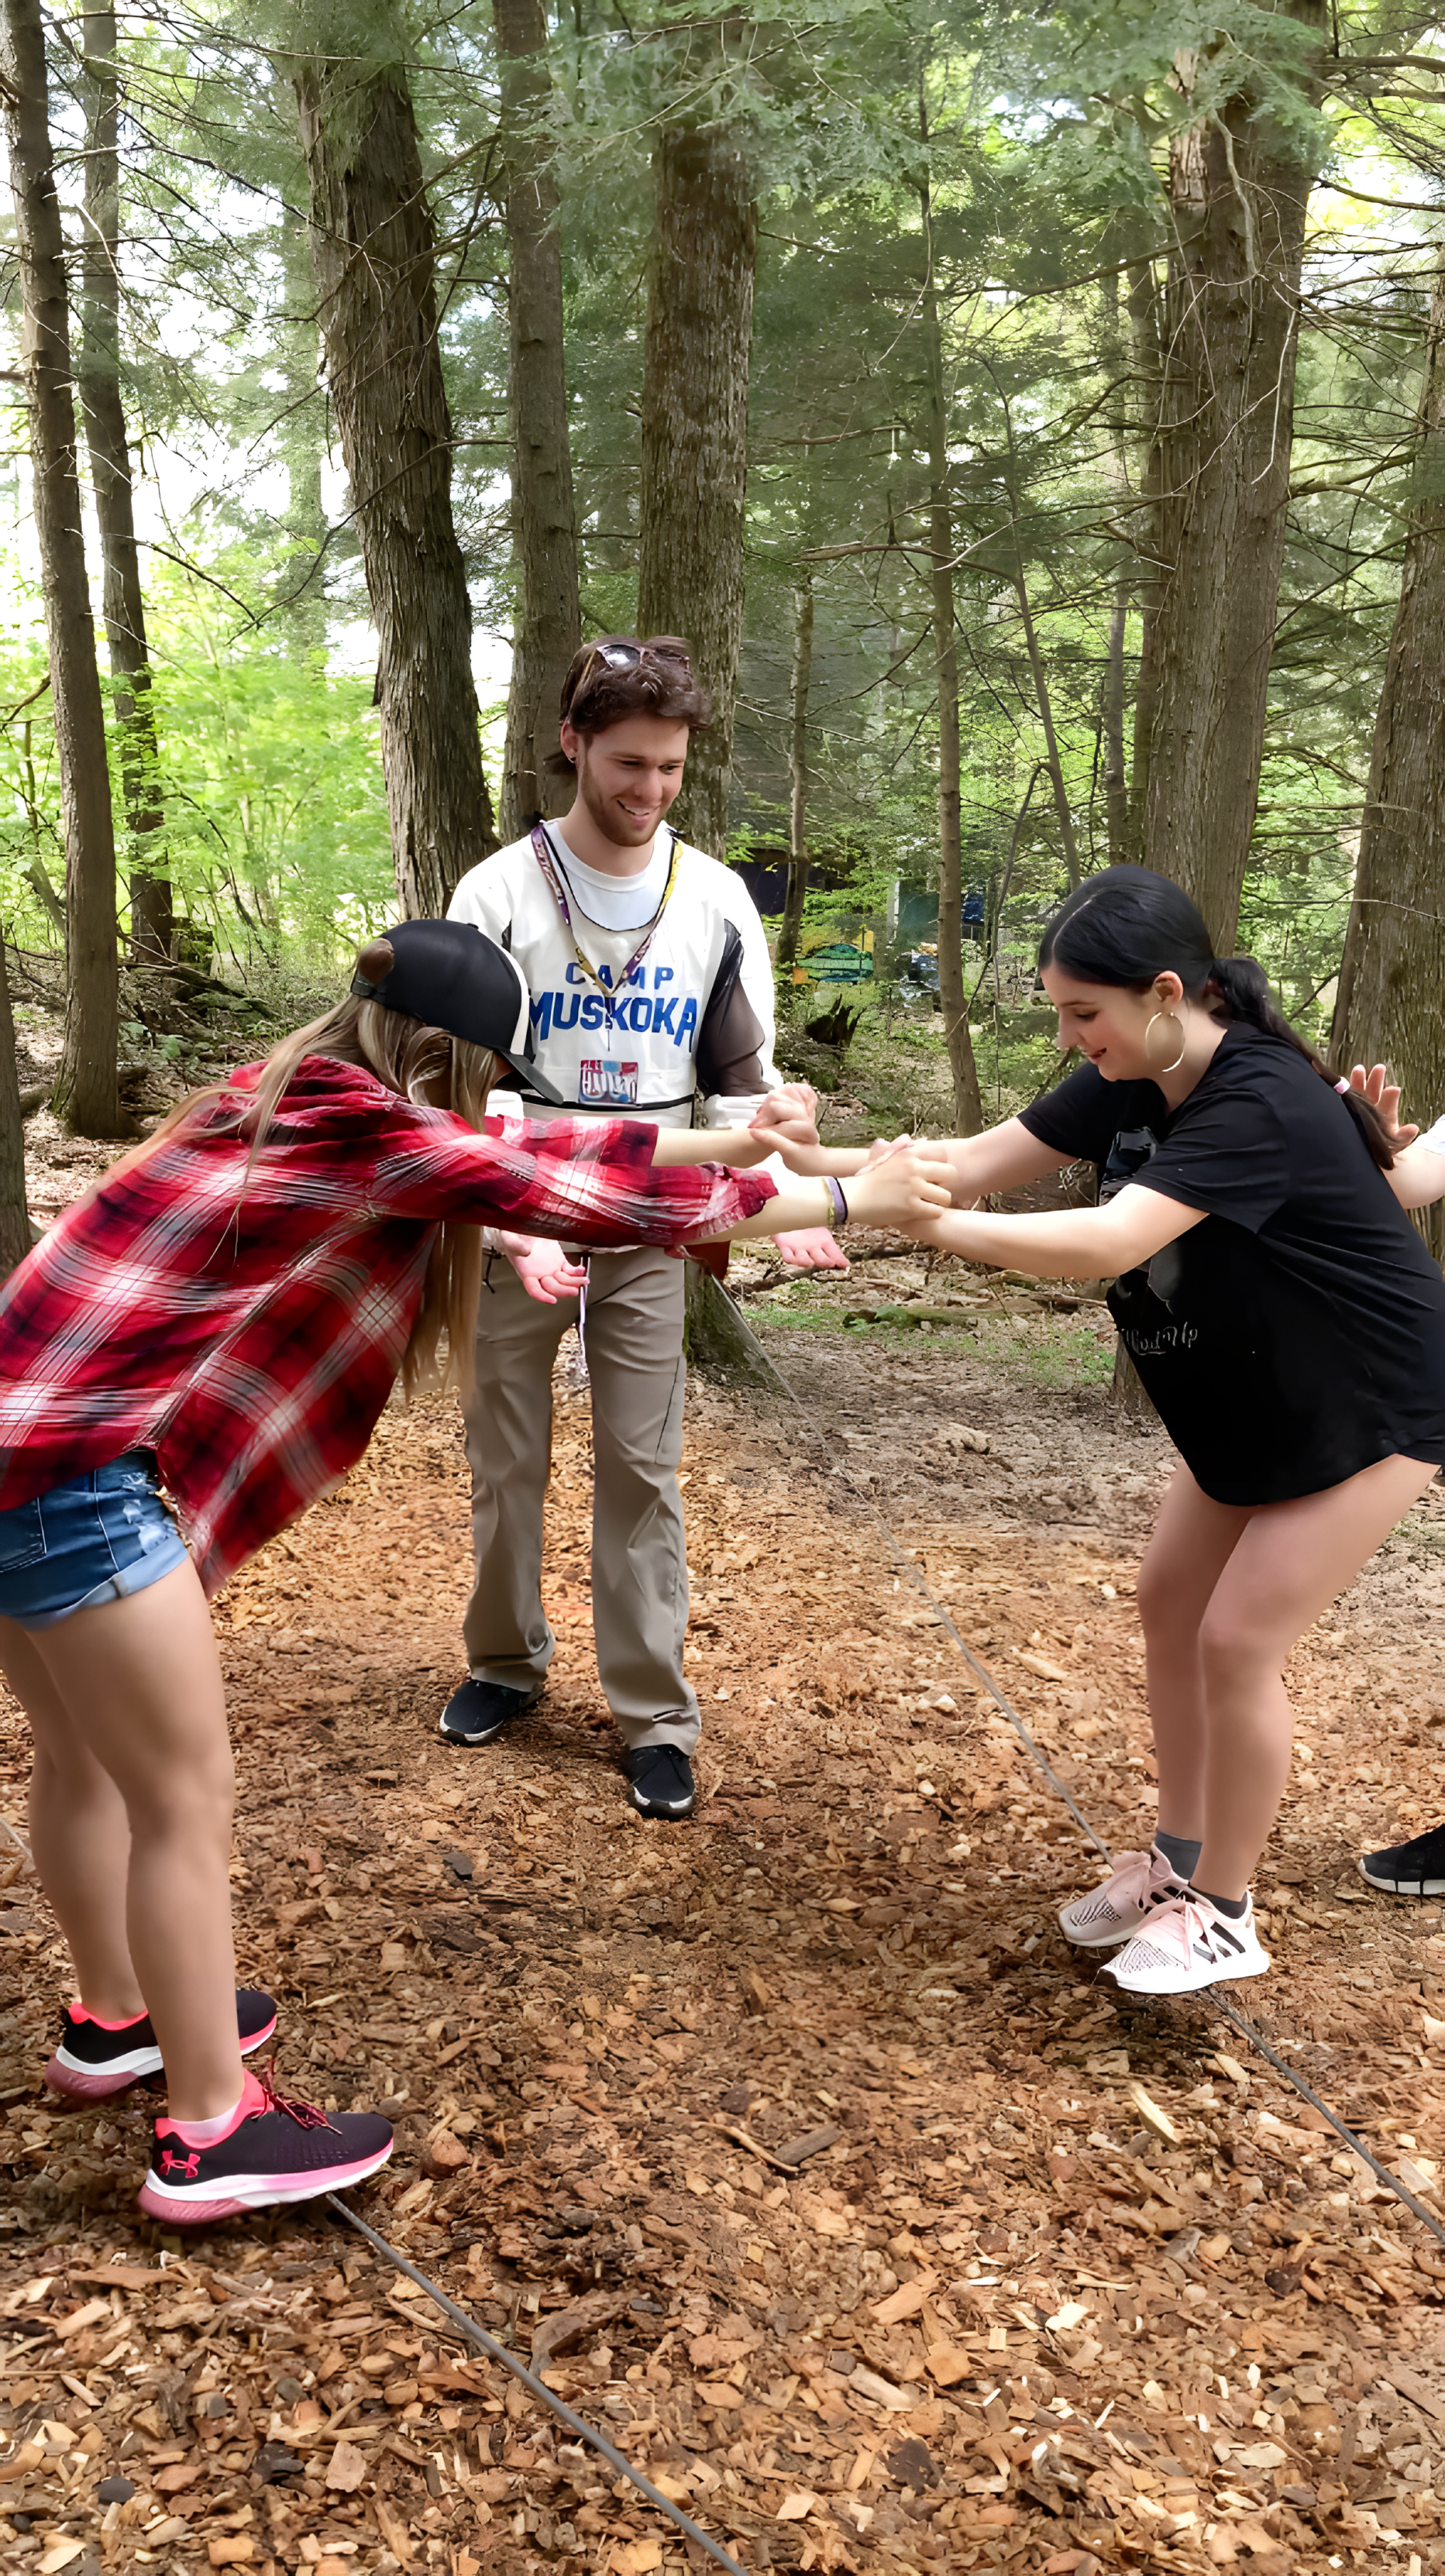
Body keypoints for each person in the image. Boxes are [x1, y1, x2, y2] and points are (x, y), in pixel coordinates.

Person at [0, 917, 950, 2220]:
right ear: (443, 1056)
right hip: (79, 1487)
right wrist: (853, 1200)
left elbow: (529, 1146)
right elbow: (576, 1194)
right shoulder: (369, 1129)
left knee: (85, 1761)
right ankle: (213, 2131)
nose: (492, 1099)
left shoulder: (280, 1089)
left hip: (17, 1457)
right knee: (180, 1793)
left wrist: (738, 1141)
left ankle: (119, 2017)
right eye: (484, 1074)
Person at [766, 865, 1445, 1994]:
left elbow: (1107, 1241)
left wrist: (936, 1230)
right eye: (1063, 1013)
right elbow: (969, 1163)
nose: (1074, 1037)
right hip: (1252, 1392)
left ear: (1167, 992)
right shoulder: (1133, 1068)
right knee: (1169, 1601)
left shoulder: (1259, 1097)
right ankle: (1176, 1861)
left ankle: (1225, 1908)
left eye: (1085, 1012)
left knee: (1236, 1639)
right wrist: (816, 1162)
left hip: (1374, 1396)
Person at [443, 635, 844, 1823]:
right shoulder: (497, 892)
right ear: (572, 744)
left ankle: (654, 1714)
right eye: (628, 764)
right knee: (504, 1454)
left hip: (655, 1216)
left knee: (644, 1465)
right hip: (521, 1205)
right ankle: (504, 1662)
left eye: (670, 768)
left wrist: (778, 1139)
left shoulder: (715, 898)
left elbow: (737, 1081)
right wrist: (515, 1224)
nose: (650, 790)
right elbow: (470, 1081)